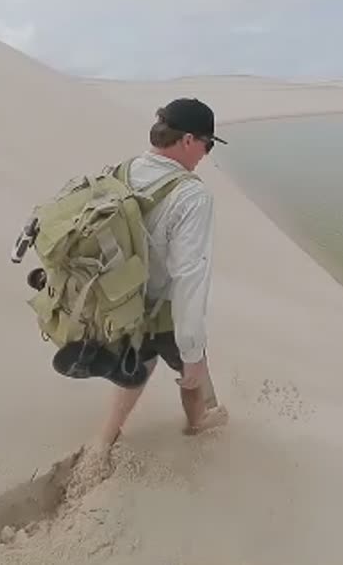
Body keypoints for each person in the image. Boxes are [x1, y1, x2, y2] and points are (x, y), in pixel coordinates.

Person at [90, 98, 230, 452]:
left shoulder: (121, 170)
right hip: (160, 304)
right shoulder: (192, 195)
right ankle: (198, 424)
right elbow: (189, 277)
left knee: (140, 362)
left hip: (120, 297)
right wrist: (192, 354)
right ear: (187, 140)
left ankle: (104, 441)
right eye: (207, 144)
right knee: (191, 369)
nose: (206, 153)